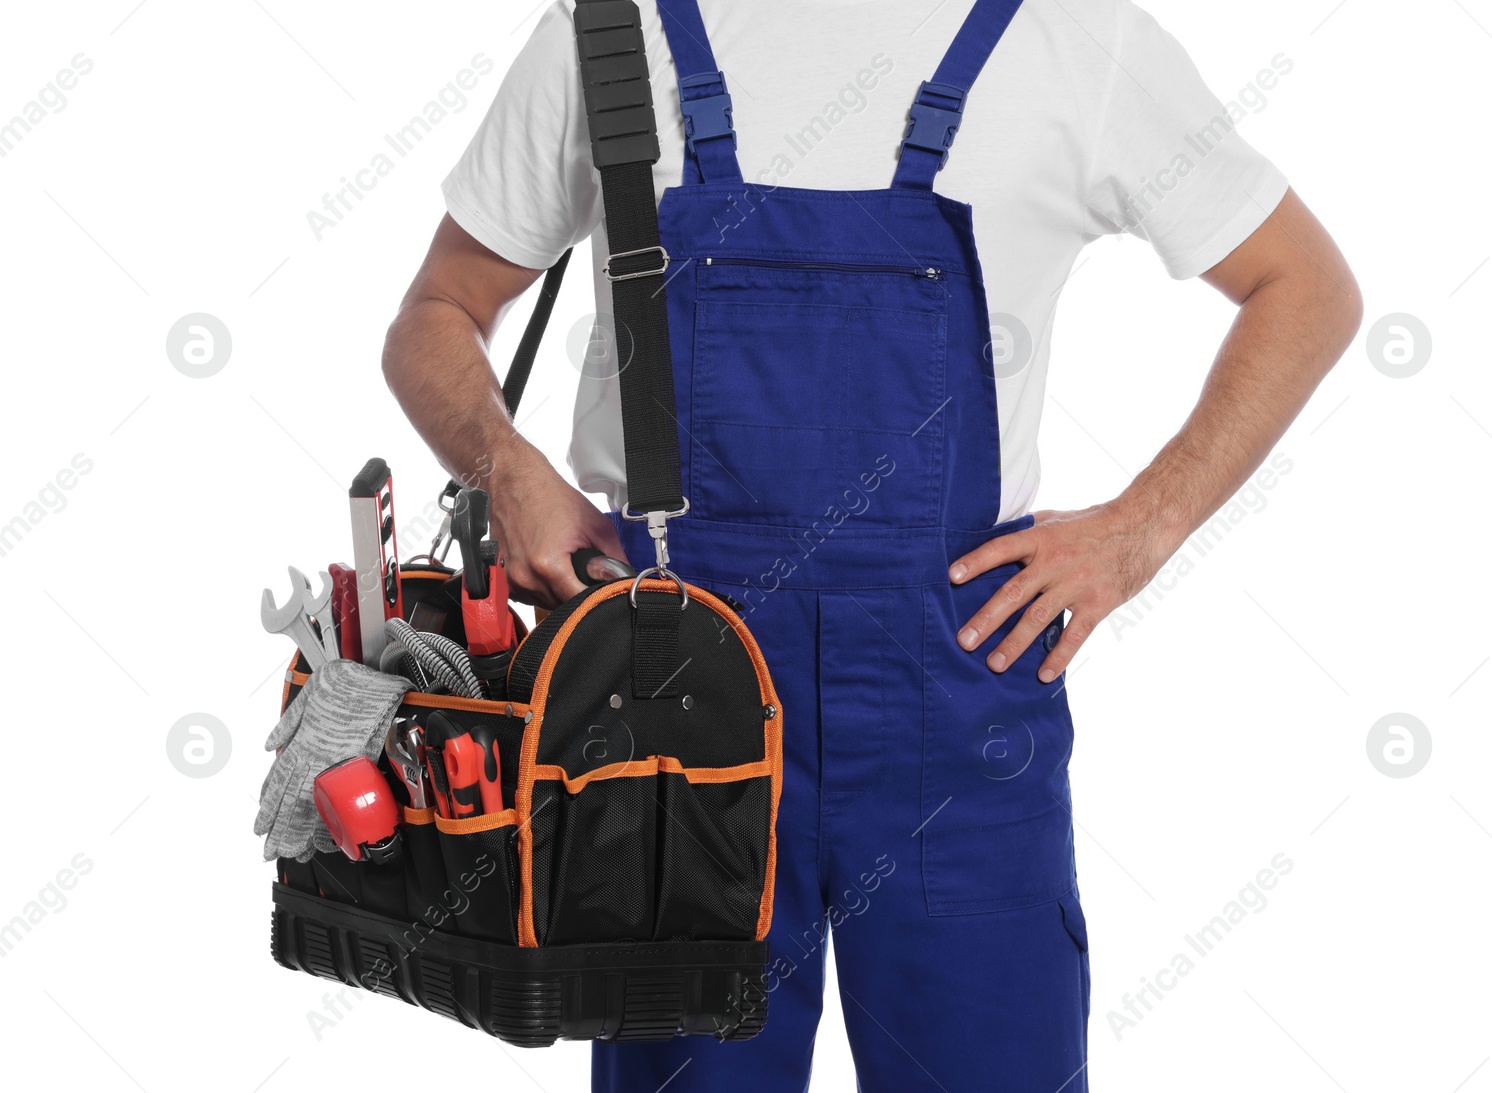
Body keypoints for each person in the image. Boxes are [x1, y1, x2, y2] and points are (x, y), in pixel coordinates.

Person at [382, 1, 1361, 1088]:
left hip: (957, 695)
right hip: (667, 708)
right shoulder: (611, 32)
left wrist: (1140, 529)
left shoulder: (1069, 36)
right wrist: (506, 468)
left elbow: (1306, 288)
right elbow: (438, 308)